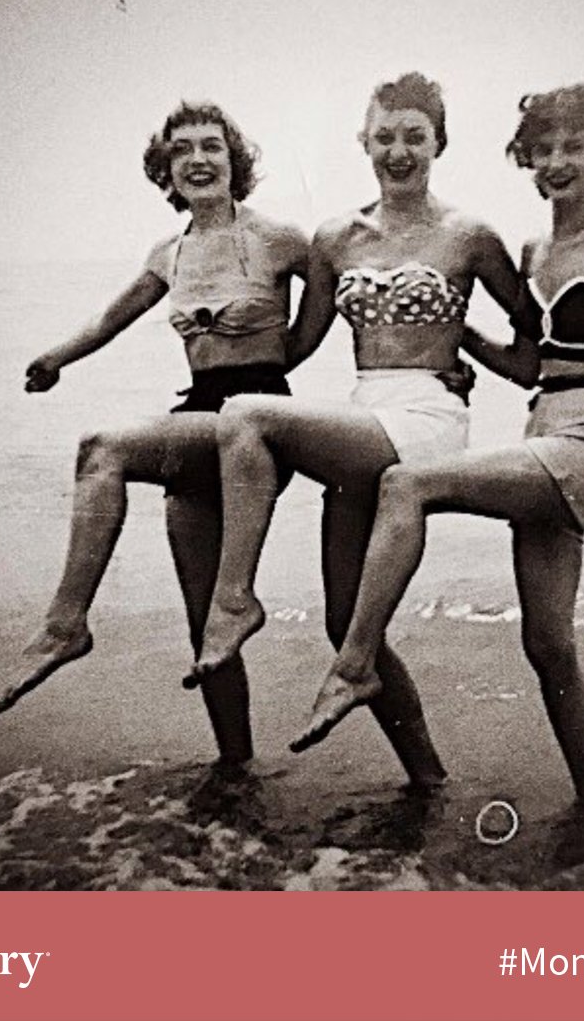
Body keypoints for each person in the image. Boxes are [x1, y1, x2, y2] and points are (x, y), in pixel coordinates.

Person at [292, 85, 584, 812]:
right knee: (549, 648)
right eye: (543, 149)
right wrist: (451, 338)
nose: (557, 162)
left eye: (574, 147)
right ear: (527, 159)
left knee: (407, 484)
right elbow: (529, 365)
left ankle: (356, 663)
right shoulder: (534, 251)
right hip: (545, 435)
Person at [189, 73, 526, 787]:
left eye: (415, 137)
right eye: (384, 137)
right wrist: (211, 322)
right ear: (363, 143)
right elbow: (292, 347)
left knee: (246, 415)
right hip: (362, 414)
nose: (398, 151)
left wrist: (464, 342)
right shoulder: (335, 238)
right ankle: (429, 780)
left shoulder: (470, 236)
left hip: (428, 416)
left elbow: (532, 354)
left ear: (439, 143)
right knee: (345, 626)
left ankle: (234, 600)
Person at [0, 101, 310, 765]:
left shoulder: (278, 238)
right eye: (182, 150)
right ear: (166, 170)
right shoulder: (169, 254)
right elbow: (110, 318)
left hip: (259, 422)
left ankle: (66, 624)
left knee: (101, 450)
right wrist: (55, 359)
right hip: (199, 418)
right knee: (206, 625)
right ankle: (237, 767)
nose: (198, 159)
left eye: (211, 146)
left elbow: (347, 293)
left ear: (235, 161)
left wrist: (303, 358)